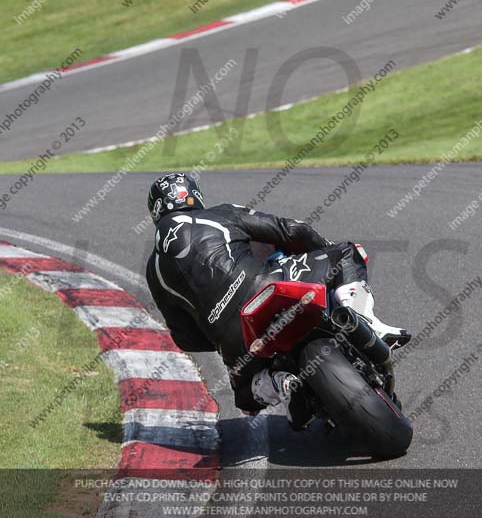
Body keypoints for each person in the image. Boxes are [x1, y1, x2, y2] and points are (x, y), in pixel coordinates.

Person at [146, 173, 409, 430]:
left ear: (156, 212)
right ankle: (367, 323)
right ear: (195, 196)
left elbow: (185, 338)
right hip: (267, 284)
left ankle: (277, 382)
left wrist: (216, 336)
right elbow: (291, 229)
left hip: (231, 337)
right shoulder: (219, 214)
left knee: (244, 399)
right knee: (346, 253)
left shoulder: (154, 268)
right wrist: (321, 249)